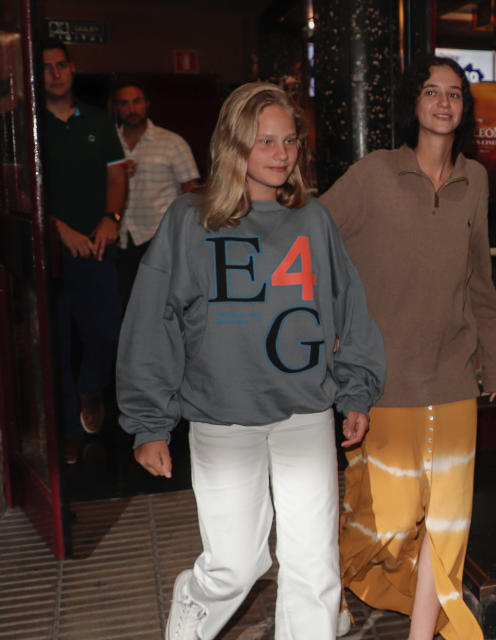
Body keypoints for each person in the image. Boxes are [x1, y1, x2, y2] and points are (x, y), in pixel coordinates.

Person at [116, 82, 385, 640]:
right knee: (237, 565)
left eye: (289, 141)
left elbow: (349, 307)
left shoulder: (313, 219)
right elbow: (153, 322)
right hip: (221, 418)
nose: (281, 154)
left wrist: (355, 389)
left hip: (305, 414)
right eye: (265, 141)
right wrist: (149, 422)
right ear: (233, 144)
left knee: (314, 567)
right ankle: (190, 615)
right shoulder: (191, 220)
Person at [319, 55, 496, 640]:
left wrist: (492, 355)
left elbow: (480, 275)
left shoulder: (475, 180)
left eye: (454, 93)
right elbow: (313, 236)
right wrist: (332, 329)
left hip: (453, 373)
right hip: (385, 376)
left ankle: (423, 634)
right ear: (414, 103)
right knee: (390, 521)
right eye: (432, 91)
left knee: (446, 525)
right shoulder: (376, 173)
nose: (444, 101)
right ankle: (330, 575)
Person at [40, 39, 128, 463]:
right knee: (55, 345)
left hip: (96, 249)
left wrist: (110, 217)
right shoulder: (29, 126)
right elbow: (20, 189)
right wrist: (58, 229)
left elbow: (116, 177)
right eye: (46, 68)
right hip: (48, 253)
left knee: (108, 333)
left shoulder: (97, 121)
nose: (55, 74)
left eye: (61, 66)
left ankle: (90, 388)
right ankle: (68, 432)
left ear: (72, 70)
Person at [111, 81, 200, 303]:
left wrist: (186, 237)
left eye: (136, 102)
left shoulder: (172, 142)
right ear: (116, 108)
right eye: (124, 103)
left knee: (160, 304)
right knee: (123, 305)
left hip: (159, 237)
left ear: (146, 104)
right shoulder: (109, 141)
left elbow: (191, 190)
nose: (131, 109)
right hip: (118, 237)